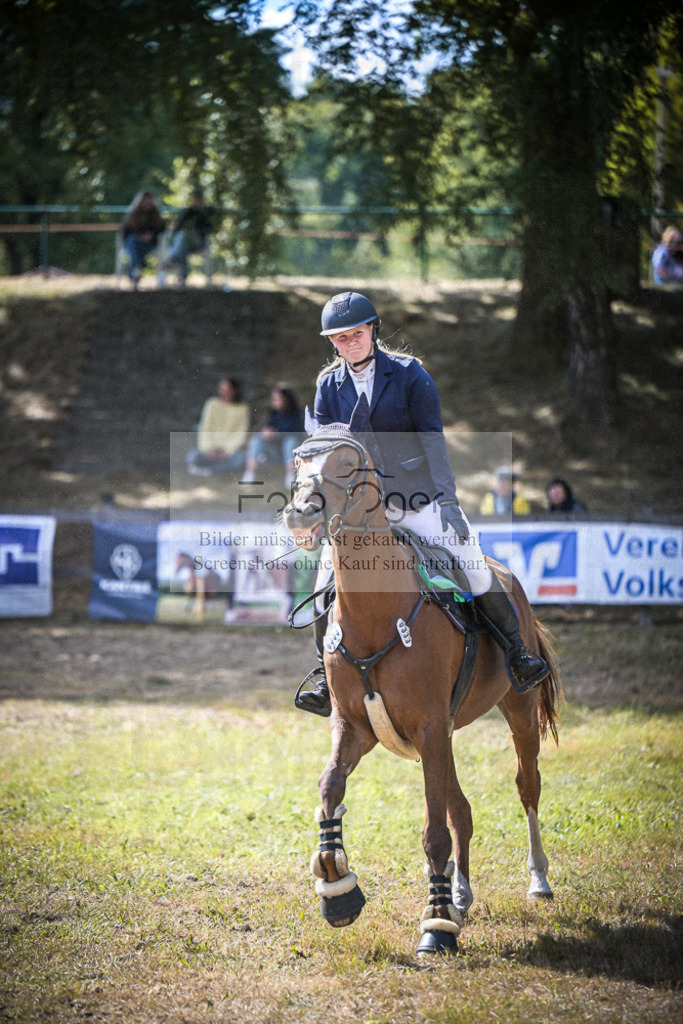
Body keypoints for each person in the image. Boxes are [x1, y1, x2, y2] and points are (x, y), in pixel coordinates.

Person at [295, 291, 549, 717]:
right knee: (323, 588)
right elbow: (322, 454)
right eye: (340, 338)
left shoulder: (410, 375)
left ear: (373, 330)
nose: (349, 343)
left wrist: (447, 500)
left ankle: (518, 653)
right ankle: (324, 674)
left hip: (416, 501)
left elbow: (433, 441)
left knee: (471, 565)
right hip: (359, 513)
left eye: (356, 334)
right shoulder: (328, 385)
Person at [242, 386, 304, 488]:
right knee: (257, 439)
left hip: (290, 454)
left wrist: (276, 433)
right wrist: (265, 433)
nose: (273, 402)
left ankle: (290, 476)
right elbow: (268, 429)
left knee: (290, 441)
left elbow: (295, 433)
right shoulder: (273, 413)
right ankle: (250, 473)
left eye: (276, 399)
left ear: (286, 400)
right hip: (273, 453)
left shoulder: (296, 414)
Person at [186, 377, 249, 476]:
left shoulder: (242, 408)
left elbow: (240, 432)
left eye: (227, 389)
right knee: (192, 457)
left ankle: (210, 471)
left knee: (239, 459)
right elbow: (205, 427)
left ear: (234, 390)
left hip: (228, 451)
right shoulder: (212, 404)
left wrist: (227, 450)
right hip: (210, 448)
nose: (224, 392)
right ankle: (211, 468)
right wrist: (208, 448)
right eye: (222, 389)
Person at [163, 189, 213, 285]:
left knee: (182, 239)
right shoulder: (187, 212)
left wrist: (200, 232)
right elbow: (177, 227)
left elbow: (209, 229)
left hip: (198, 242)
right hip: (184, 243)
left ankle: (172, 259)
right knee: (183, 244)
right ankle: (182, 277)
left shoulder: (205, 214)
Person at [120, 189, 166, 288]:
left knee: (136, 247)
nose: (148, 202)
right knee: (134, 242)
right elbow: (126, 232)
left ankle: (136, 269)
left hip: (149, 245)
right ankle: (139, 265)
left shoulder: (156, 216)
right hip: (133, 243)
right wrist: (140, 236)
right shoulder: (132, 215)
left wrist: (150, 236)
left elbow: (161, 229)